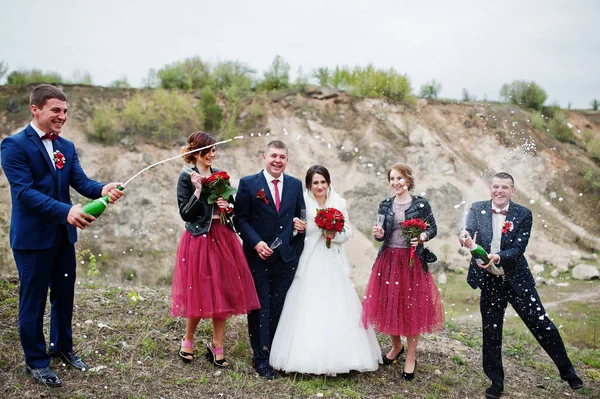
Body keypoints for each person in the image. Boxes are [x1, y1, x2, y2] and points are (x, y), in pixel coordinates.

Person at [0, 84, 124, 387]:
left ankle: (62, 347)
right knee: (34, 301)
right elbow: (25, 193)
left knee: (64, 296)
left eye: (65, 111)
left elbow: (80, 180)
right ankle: (37, 361)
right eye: (56, 110)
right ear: (36, 109)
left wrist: (102, 189)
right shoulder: (13, 145)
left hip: (64, 237)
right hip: (32, 240)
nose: (62, 116)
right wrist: (65, 211)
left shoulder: (66, 147)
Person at [458, 172, 583, 399]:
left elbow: (518, 249)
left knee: (542, 324)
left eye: (504, 187)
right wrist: (464, 237)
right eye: (495, 187)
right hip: (489, 282)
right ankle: (496, 383)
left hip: (517, 280)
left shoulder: (523, 214)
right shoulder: (477, 208)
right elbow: (466, 231)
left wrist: (497, 256)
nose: (499, 191)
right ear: (490, 189)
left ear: (512, 191)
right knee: (491, 332)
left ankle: (568, 372)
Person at [270, 165, 381, 374]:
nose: (319, 186)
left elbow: (347, 232)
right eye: (315, 183)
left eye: (323, 182)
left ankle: (342, 356)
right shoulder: (302, 201)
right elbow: (296, 228)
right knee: (308, 302)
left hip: (332, 258)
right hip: (310, 258)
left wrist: (334, 234)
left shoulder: (339, 202)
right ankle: (303, 356)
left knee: (336, 302)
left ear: (328, 182)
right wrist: (297, 227)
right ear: (309, 185)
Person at [170, 131, 260, 368]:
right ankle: (187, 340)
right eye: (207, 150)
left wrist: (226, 206)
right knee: (198, 291)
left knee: (223, 292)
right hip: (199, 239)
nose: (211, 154)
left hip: (223, 238)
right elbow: (185, 214)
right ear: (195, 152)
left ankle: (217, 346)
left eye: (213, 150)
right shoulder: (186, 177)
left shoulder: (221, 176)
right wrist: (198, 191)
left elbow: (231, 210)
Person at [361, 163, 443, 381]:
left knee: (411, 308)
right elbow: (382, 235)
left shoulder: (421, 204)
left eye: (399, 178)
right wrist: (378, 234)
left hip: (412, 262)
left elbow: (433, 228)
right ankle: (397, 346)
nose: (395, 183)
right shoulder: (385, 204)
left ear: (408, 180)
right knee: (389, 305)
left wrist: (423, 237)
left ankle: (411, 356)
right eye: (392, 179)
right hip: (388, 259)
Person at [234, 140, 306, 379]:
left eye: (282, 157)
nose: (278, 160)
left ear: (287, 160)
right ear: (264, 157)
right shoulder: (248, 183)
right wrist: (256, 243)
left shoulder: (295, 185)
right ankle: (261, 358)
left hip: (285, 259)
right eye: (273, 156)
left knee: (278, 307)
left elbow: (300, 218)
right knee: (259, 306)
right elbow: (240, 219)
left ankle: (276, 353)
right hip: (257, 257)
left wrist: (299, 230)